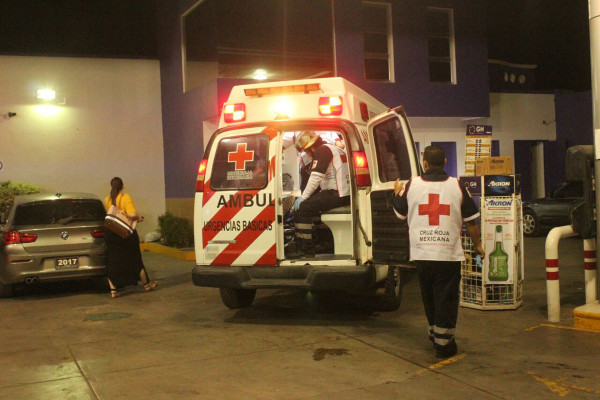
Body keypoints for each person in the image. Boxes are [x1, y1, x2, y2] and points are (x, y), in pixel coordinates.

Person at [392, 145, 484, 358]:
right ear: (444, 162)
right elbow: (471, 222)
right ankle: (444, 345)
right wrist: (478, 246)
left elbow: (399, 215)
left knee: (429, 295)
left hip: (422, 254)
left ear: (424, 163)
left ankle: (435, 333)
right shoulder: (457, 186)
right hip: (448, 254)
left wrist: (397, 194)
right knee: (446, 297)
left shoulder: (412, 184)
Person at [287, 131, 350, 258]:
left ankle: (306, 249)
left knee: (303, 208)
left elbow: (316, 177)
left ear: (312, 147)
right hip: (344, 194)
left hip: (336, 193)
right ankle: (323, 242)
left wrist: (303, 197)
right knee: (313, 206)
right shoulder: (335, 148)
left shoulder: (322, 151)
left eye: (307, 151)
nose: (308, 155)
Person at [104, 177, 157, 299]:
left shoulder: (107, 200)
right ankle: (146, 285)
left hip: (111, 234)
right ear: (123, 186)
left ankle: (113, 291)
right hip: (126, 234)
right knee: (135, 259)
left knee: (112, 262)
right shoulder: (125, 197)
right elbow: (132, 214)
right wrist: (137, 218)